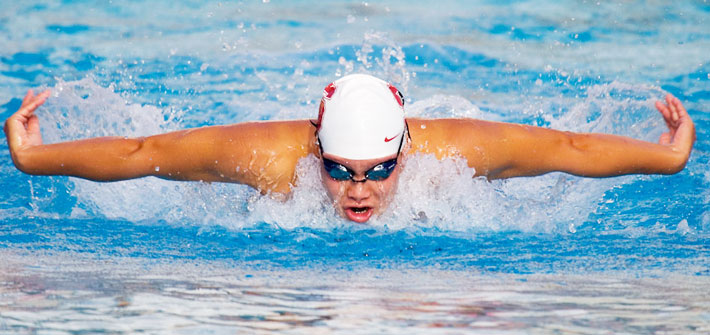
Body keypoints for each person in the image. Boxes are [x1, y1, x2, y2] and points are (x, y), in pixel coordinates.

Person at [4, 74, 696, 223]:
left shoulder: (453, 153)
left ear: (406, 151)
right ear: (316, 149)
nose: (356, 189)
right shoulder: (272, 160)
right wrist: (34, 157)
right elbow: (141, 152)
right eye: (338, 171)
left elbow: (569, 147)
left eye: (375, 172)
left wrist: (667, 157)